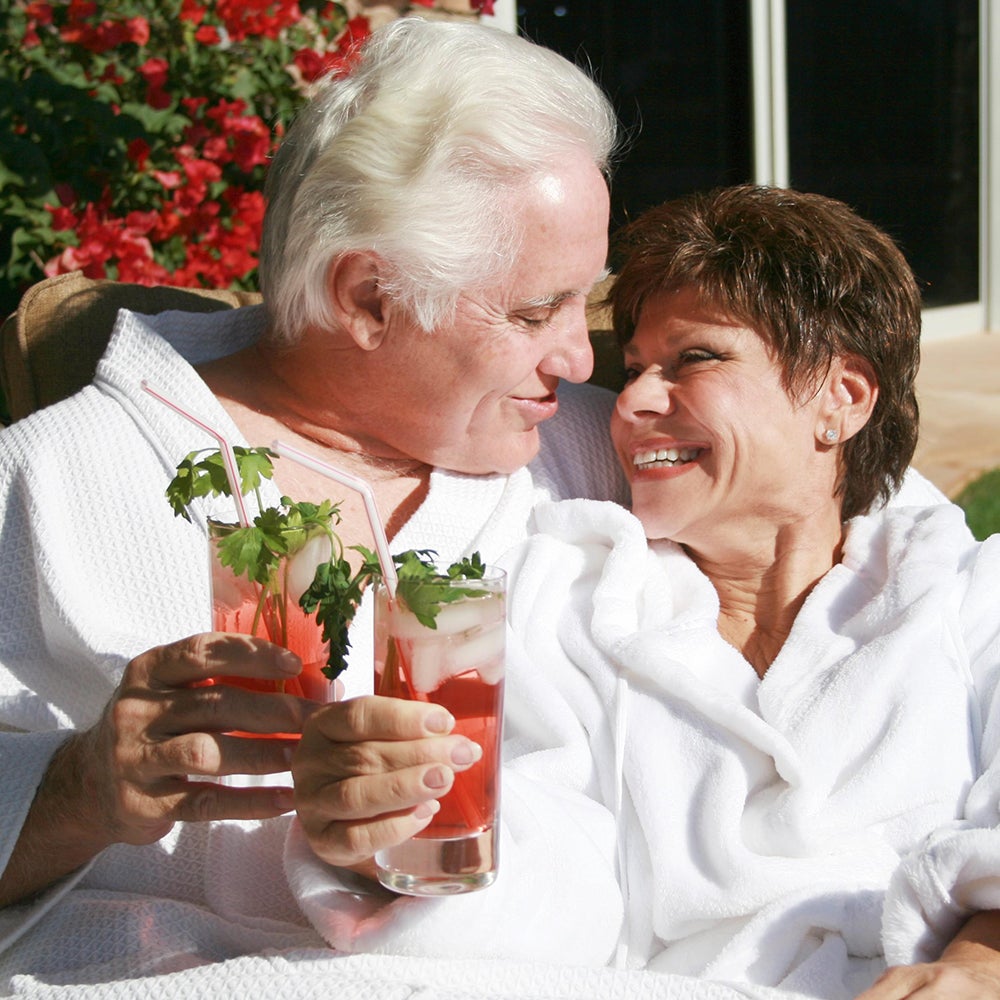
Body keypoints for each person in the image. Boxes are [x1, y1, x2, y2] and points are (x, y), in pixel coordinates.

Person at [0, 15, 629, 974]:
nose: (581, 356)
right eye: (535, 311)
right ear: (367, 297)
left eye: (587, 299)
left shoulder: (592, 445)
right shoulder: (61, 478)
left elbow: (884, 558)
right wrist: (79, 787)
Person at [280, 186, 1000, 1000]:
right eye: (632, 371)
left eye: (695, 358)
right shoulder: (578, 601)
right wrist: (400, 834)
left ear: (843, 397)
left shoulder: (966, 596)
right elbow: (562, 867)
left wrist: (980, 963)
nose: (631, 403)